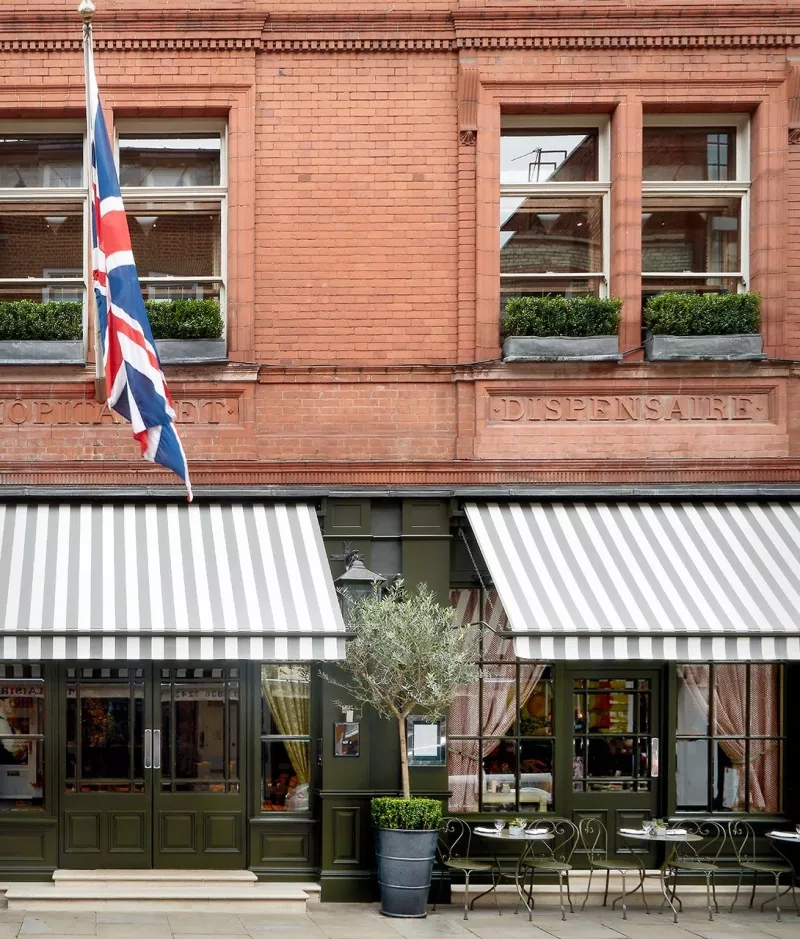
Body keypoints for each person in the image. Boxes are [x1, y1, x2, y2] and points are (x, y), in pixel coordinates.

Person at [0, 698, 26, 765]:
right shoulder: (2, 723)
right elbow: (13, 752)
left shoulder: (5, 721)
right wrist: (21, 748)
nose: (13, 704)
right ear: (1, 702)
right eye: (10, 701)